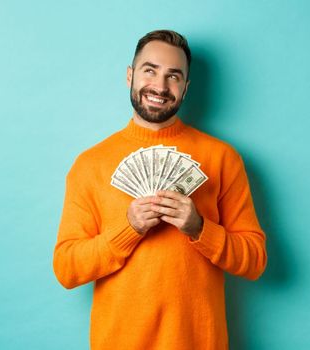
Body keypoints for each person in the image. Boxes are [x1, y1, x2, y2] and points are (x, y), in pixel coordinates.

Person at [52, 29, 267, 349]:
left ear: (186, 87)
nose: (160, 86)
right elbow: (67, 269)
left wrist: (200, 228)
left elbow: (255, 261)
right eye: (150, 70)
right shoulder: (90, 164)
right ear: (130, 75)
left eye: (174, 76)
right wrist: (128, 229)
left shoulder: (222, 158)